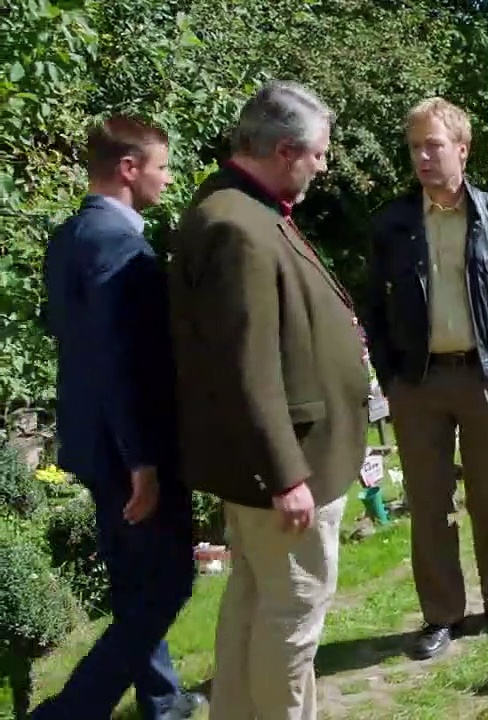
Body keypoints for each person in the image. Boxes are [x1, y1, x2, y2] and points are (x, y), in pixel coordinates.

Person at [168, 81, 368, 720]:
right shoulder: (236, 225)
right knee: (292, 616)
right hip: (290, 468)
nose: (323, 166)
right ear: (285, 151)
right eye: (318, 154)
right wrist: (286, 475)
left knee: (255, 604)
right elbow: (245, 367)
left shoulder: (245, 208)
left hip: (282, 465)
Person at [36, 117, 204, 720]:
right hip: (128, 449)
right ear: (129, 169)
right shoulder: (116, 243)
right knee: (167, 585)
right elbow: (117, 358)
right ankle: (70, 711)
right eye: (162, 166)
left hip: (92, 442)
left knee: (135, 585)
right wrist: (142, 461)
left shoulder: (69, 235)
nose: (168, 178)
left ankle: (161, 699)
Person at [363, 97, 488, 661]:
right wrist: (391, 377)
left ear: (462, 149)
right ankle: (441, 614)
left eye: (433, 145)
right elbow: (372, 308)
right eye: (415, 146)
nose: (422, 156)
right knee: (429, 502)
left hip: (485, 376)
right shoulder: (392, 224)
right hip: (418, 383)